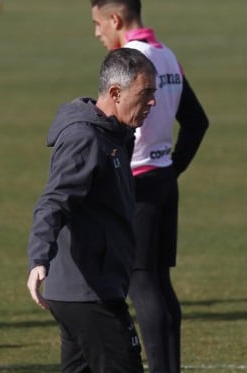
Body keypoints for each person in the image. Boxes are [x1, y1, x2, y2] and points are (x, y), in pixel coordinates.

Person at [89, 1, 209, 372]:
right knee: (159, 282)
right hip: (161, 180)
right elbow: (196, 121)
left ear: (115, 19)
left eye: (97, 24)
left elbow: (108, 128)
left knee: (141, 283)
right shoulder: (166, 54)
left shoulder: (129, 61)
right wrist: (170, 170)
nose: (97, 33)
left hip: (136, 183)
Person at [27, 48, 157, 373]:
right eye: (146, 94)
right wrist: (39, 258)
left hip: (89, 288)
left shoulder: (114, 135)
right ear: (115, 92)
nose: (152, 102)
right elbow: (54, 200)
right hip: (87, 293)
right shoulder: (85, 138)